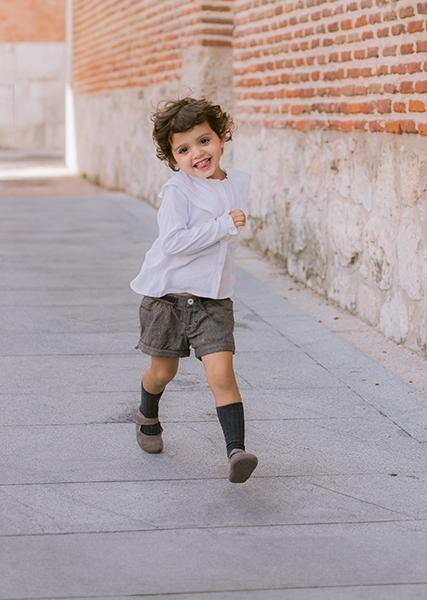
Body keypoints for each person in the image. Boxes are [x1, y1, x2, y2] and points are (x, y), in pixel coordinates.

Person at [130, 96, 258, 483]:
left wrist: (226, 229)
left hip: (213, 301)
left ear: (221, 138)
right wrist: (223, 225)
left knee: (222, 373)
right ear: (173, 160)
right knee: (161, 371)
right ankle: (146, 413)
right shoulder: (177, 192)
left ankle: (236, 451)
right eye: (184, 149)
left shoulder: (238, 181)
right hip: (168, 298)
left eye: (204, 141)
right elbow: (172, 243)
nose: (197, 154)